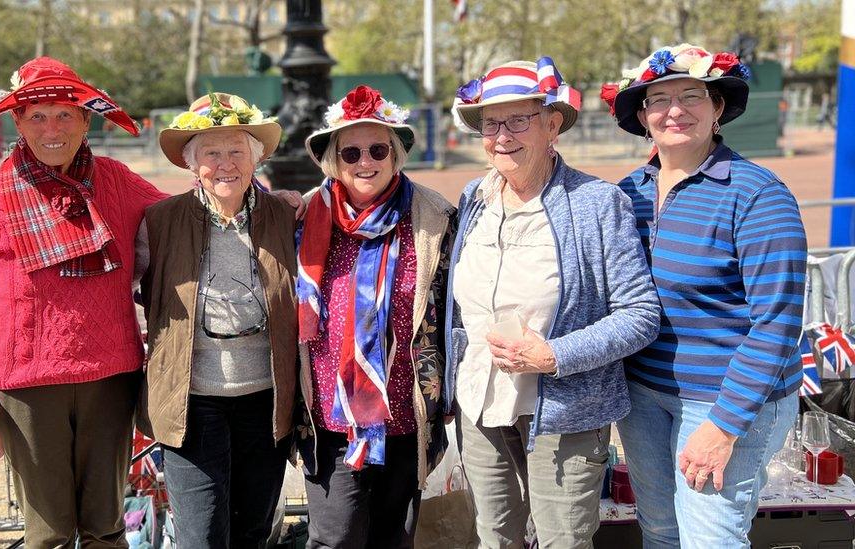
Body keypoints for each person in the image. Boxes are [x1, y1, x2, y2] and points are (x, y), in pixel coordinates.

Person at [0, 56, 168, 548]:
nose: (52, 128)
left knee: (107, 527)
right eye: (38, 115)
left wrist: (265, 201)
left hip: (111, 381)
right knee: (48, 535)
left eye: (65, 114)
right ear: (18, 123)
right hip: (26, 391)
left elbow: (186, 221)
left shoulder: (117, 182)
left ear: (87, 121)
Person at [445, 58, 661, 548]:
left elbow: (640, 313)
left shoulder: (596, 202)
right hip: (481, 400)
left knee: (563, 540)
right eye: (491, 123)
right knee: (494, 536)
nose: (502, 135)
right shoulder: (473, 198)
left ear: (552, 124)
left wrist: (556, 355)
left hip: (566, 410)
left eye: (519, 120)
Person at [602, 44, 806, 547]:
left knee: (709, 539)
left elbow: (777, 322)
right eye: (658, 99)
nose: (674, 109)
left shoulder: (757, 194)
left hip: (722, 399)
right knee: (661, 530)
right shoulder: (629, 192)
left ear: (717, 108)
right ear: (643, 115)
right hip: (645, 396)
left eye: (691, 95)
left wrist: (724, 425)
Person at [294, 85, 455, 548]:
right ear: (332, 160)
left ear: (397, 154)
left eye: (378, 149)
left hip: (406, 411)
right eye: (351, 152)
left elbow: (452, 311)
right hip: (330, 415)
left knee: (393, 538)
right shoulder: (303, 218)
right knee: (335, 537)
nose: (365, 161)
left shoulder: (435, 218)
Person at [134, 92, 298, 548]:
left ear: (255, 160)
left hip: (266, 401)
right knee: (202, 535)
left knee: (253, 530)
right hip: (192, 401)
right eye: (211, 152)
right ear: (193, 164)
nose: (225, 164)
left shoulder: (286, 215)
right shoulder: (158, 222)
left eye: (236, 151)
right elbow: (114, 291)